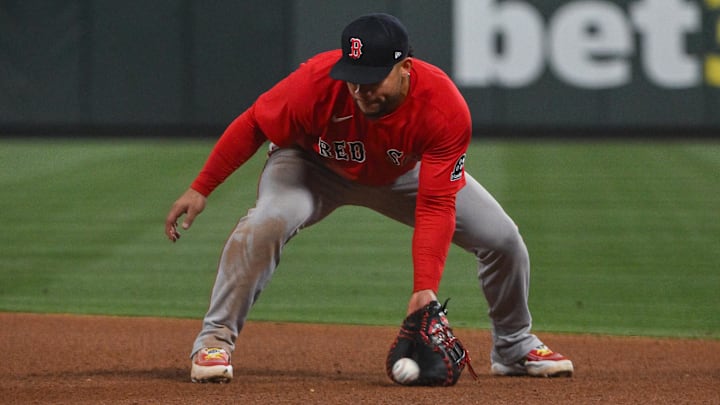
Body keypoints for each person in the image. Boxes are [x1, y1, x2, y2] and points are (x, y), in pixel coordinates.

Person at [165, 13, 574, 383]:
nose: (360, 89)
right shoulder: (315, 82)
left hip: (401, 174)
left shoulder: (444, 108)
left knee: (504, 240)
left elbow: (436, 205)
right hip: (311, 166)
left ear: (405, 69)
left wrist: (424, 288)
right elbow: (255, 122)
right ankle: (214, 341)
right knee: (266, 221)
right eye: (353, 76)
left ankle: (514, 346)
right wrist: (202, 186)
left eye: (373, 78)